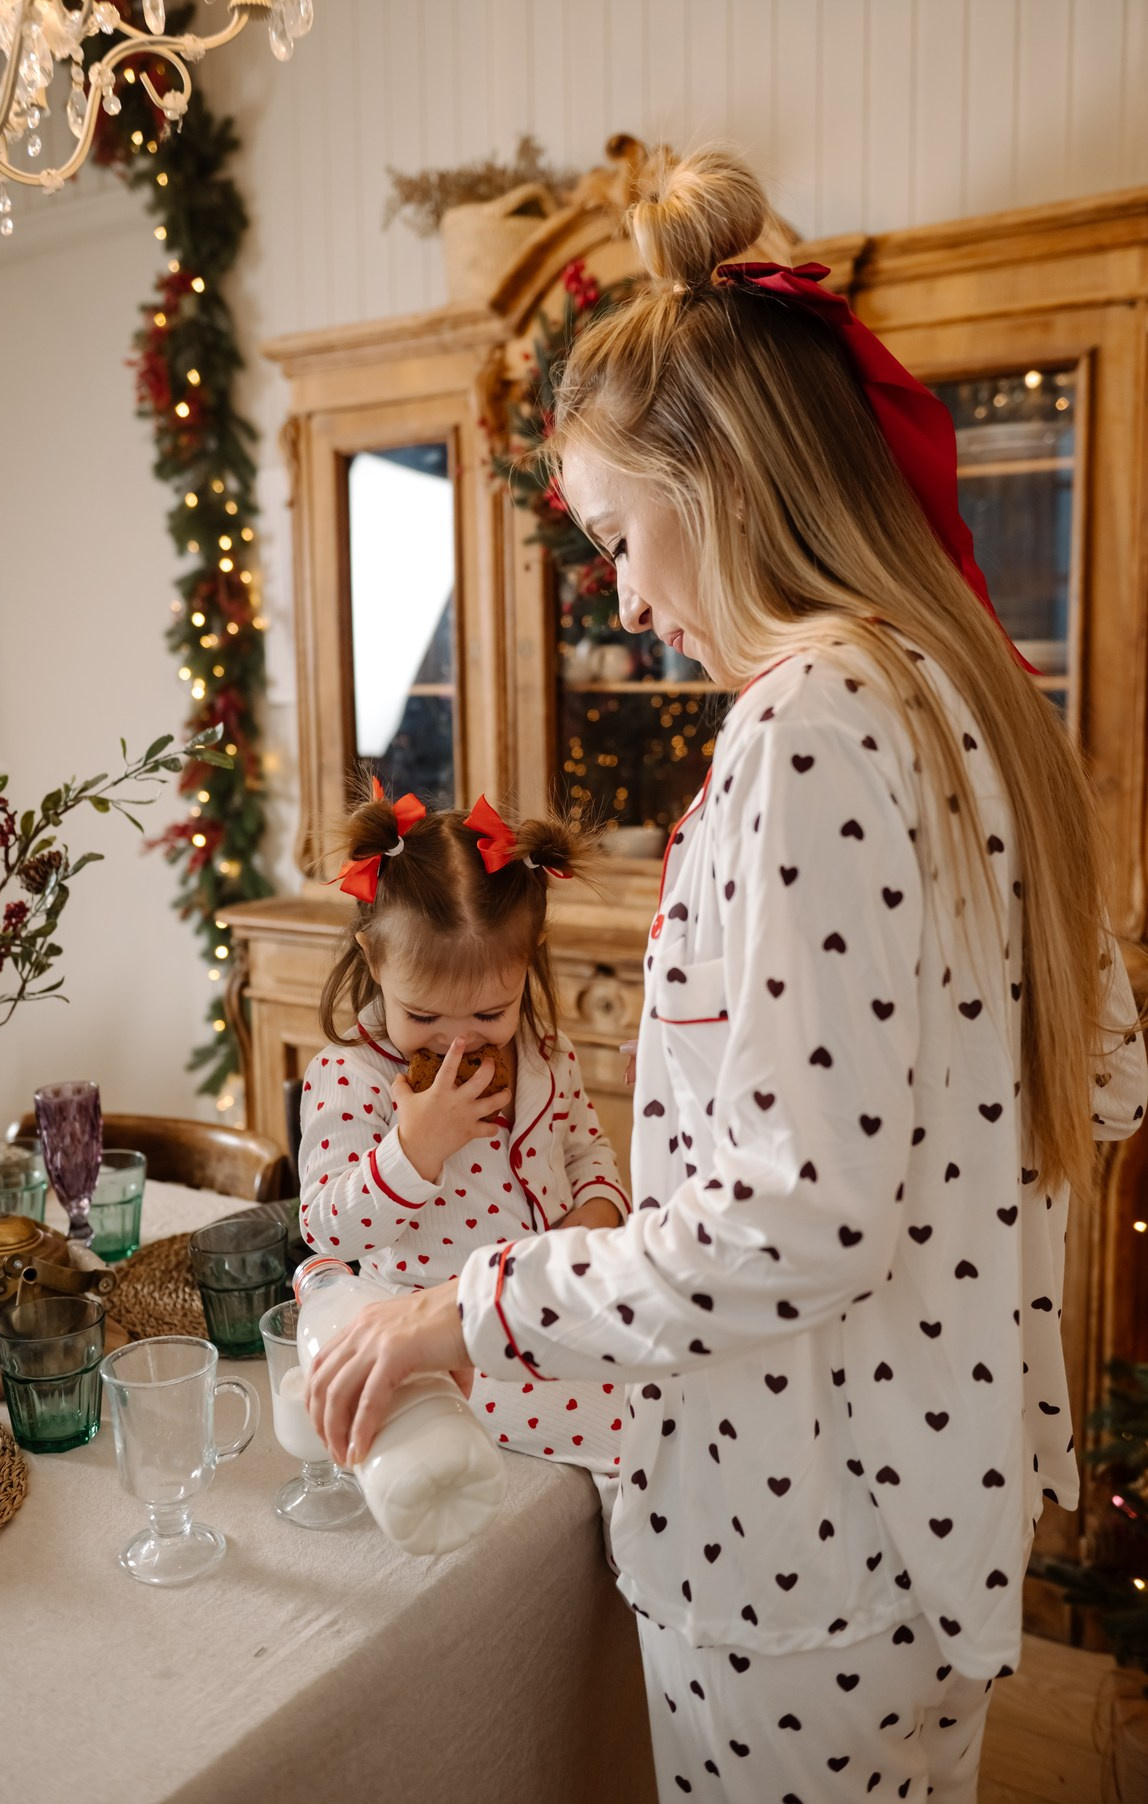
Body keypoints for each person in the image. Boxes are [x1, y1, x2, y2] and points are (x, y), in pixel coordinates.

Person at [304, 149, 1147, 1802]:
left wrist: (452, 1306)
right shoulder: (969, 696)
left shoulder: (807, 726)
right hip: (929, 1505)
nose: (619, 592)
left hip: (794, 1538)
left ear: (720, 486)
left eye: (617, 533)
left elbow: (793, 1222)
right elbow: (1102, 1073)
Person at [298, 786, 628, 1497]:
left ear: (528, 962)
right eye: (422, 1016)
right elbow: (325, 1222)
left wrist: (595, 1216)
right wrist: (413, 1149)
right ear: (374, 960)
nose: (456, 1040)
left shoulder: (544, 1054)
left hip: (555, 1305)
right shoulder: (347, 1076)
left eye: (488, 1011)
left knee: (675, 1395)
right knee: (631, 1437)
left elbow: (588, 1150)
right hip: (441, 1348)